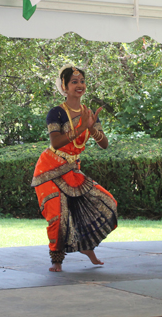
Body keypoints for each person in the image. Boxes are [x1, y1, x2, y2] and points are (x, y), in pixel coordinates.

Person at [31, 65, 118, 272]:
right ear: (64, 86)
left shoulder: (89, 113)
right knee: (57, 215)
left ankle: (86, 246)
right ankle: (57, 259)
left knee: (107, 202)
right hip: (48, 169)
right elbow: (56, 143)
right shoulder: (57, 113)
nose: (79, 85)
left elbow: (104, 144)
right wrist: (80, 128)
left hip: (71, 169)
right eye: (74, 82)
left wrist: (91, 128)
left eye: (82, 81)